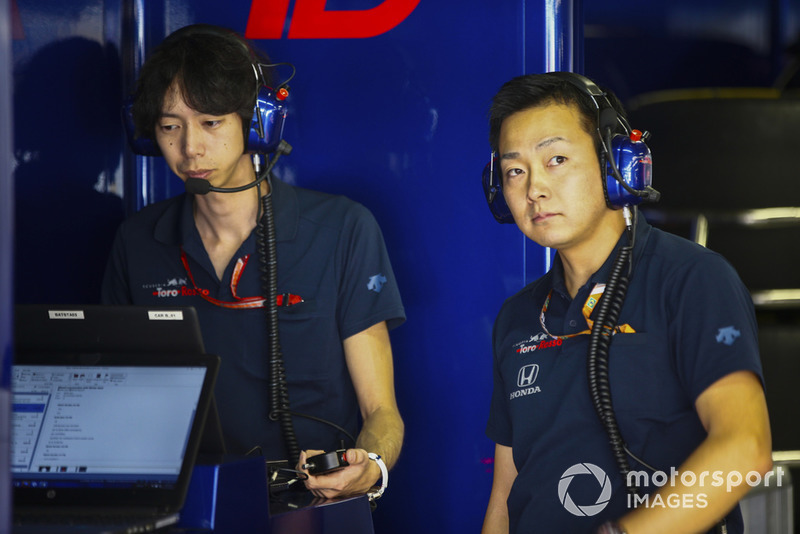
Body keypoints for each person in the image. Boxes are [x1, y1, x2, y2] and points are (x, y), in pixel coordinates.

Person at [102, 24, 405, 500]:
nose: (190, 148)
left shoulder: (344, 228)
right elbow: (116, 401)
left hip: (310, 509)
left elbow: (381, 413)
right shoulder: (136, 241)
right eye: (169, 126)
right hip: (185, 508)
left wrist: (370, 466)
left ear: (258, 122)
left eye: (211, 122)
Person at [480, 72, 772, 534]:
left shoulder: (692, 280)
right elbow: (506, 492)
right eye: (515, 171)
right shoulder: (517, 317)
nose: (534, 188)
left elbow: (746, 449)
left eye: (556, 159)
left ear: (616, 163)